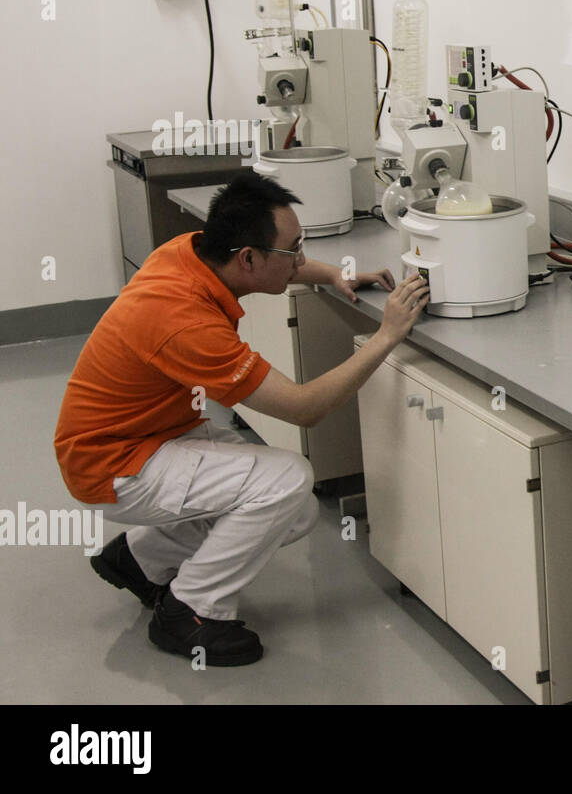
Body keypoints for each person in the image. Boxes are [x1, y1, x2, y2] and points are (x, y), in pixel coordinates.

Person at [54, 174, 429, 666]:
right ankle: (188, 611)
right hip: (112, 464)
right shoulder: (185, 322)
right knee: (287, 482)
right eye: (293, 250)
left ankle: (141, 559)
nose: (299, 259)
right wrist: (386, 336)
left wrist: (329, 274)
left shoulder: (188, 251)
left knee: (293, 509)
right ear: (248, 256)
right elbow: (304, 407)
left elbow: (272, 266)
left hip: (148, 432)